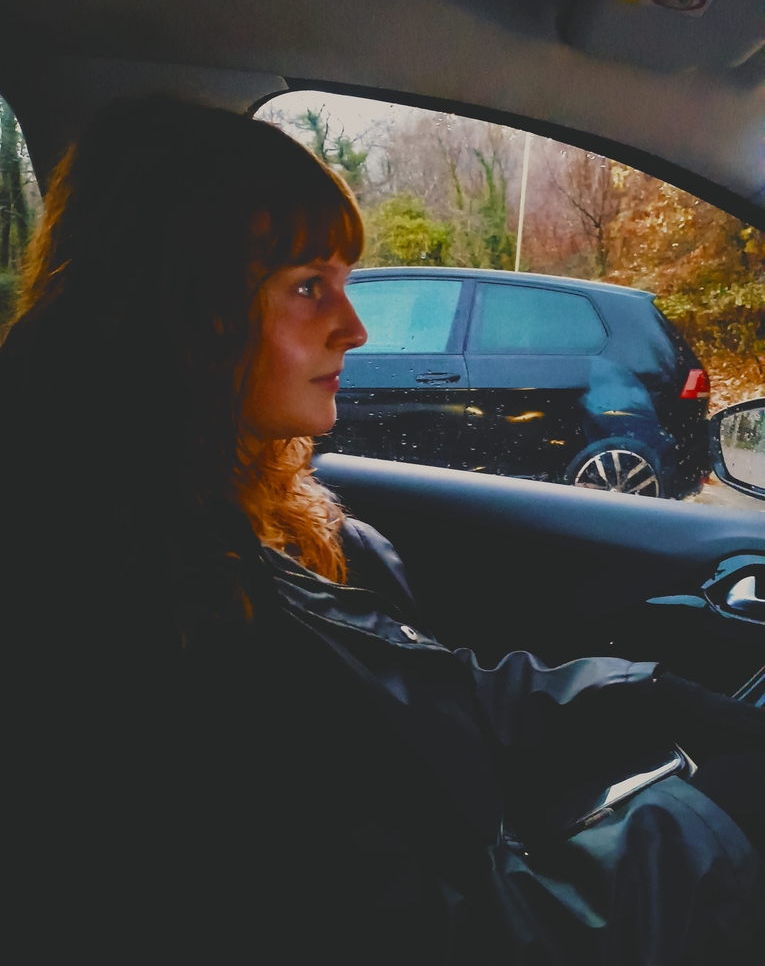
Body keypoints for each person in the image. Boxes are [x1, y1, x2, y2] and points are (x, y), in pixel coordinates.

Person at [1, 97, 762, 965]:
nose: (354, 328)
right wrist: (715, 829)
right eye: (307, 287)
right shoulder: (130, 618)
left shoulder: (235, 511)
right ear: (182, 308)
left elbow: (420, 694)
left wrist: (642, 696)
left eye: (345, 283)